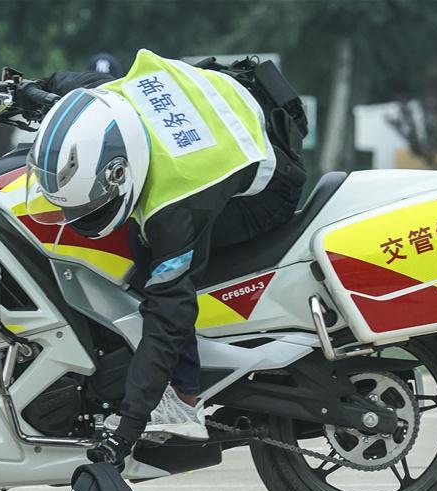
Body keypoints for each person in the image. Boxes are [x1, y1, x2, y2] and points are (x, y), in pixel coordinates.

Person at [26, 49, 308, 469]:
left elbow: (167, 318)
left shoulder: (176, 207)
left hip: (268, 188)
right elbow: (62, 82)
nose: (74, 219)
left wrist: (127, 429)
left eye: (84, 207)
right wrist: (21, 88)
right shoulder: (105, 101)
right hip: (238, 104)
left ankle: (184, 397)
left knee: (153, 275)